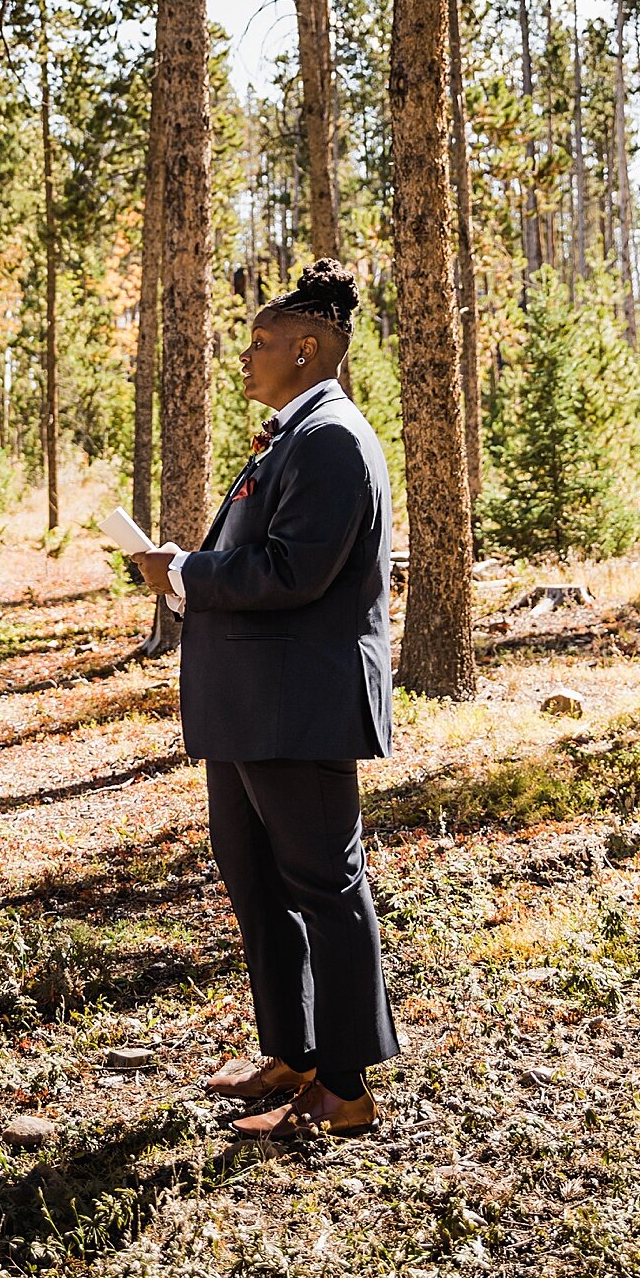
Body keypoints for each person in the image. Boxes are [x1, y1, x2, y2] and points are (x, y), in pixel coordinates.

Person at [131, 259, 399, 1139]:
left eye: (261, 342)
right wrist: (186, 573)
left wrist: (185, 575)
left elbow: (295, 571)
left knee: (326, 888)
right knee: (256, 885)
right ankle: (294, 1050)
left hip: (300, 706)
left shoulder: (331, 439)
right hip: (254, 706)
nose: (244, 358)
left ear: (309, 348)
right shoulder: (293, 433)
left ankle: (347, 1088)